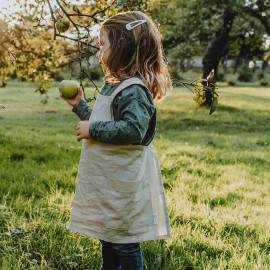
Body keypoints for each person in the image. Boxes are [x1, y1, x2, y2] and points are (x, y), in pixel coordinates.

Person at [61, 10, 172, 270]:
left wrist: (93, 130)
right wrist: (79, 106)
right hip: (108, 180)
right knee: (108, 234)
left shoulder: (133, 90)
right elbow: (104, 120)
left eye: (103, 45)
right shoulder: (115, 86)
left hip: (122, 182)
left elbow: (133, 129)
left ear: (122, 47)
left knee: (123, 239)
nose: (99, 53)